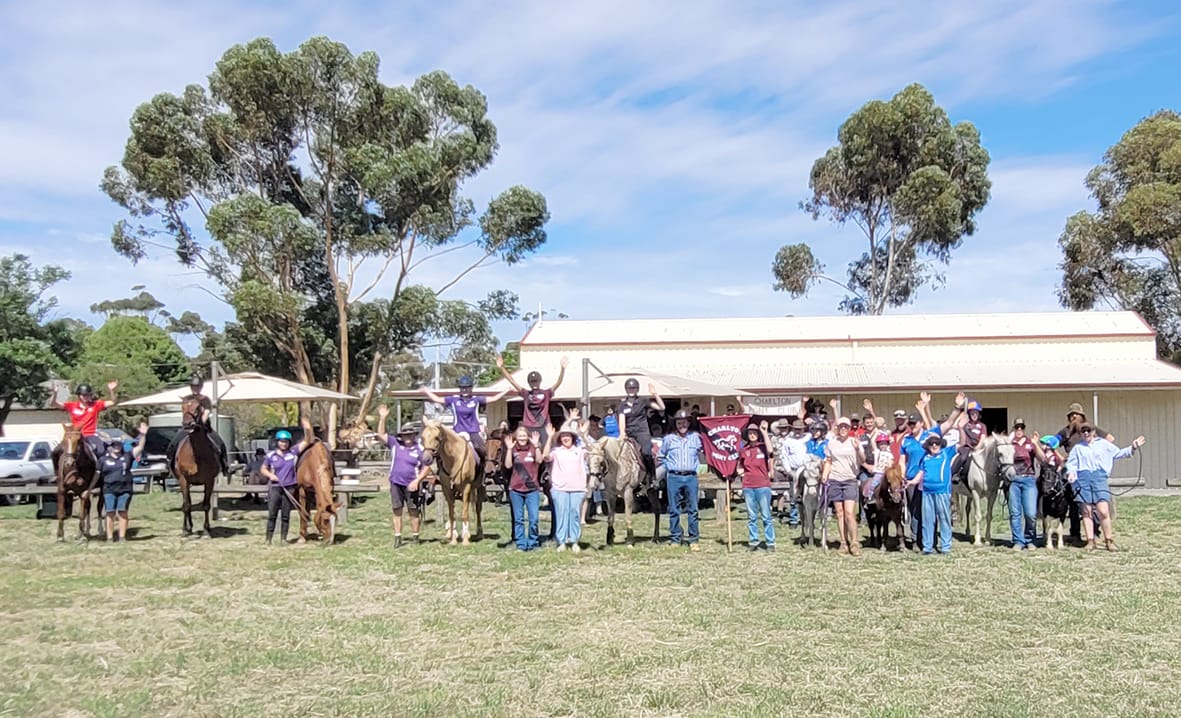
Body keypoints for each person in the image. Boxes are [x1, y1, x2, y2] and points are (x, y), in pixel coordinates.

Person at [1065, 423, 1145, 551]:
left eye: (1088, 430)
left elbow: (1118, 453)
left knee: (1103, 511)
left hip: (1099, 477)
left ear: (1093, 431)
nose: (1086, 433)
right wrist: (1071, 473)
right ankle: (1090, 541)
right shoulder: (1078, 448)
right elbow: (1072, 464)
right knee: (1086, 512)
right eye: (1083, 431)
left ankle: (1109, 540)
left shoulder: (1103, 444)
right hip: (1083, 479)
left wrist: (1133, 447)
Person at [376, 406, 431, 548]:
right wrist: (382, 418)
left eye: (411, 434)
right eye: (406, 435)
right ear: (402, 436)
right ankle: (398, 537)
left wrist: (417, 481)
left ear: (414, 435)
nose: (408, 437)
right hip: (395, 482)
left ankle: (415, 536)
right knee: (397, 509)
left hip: (411, 484)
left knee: (413, 510)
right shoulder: (395, 444)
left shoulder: (419, 449)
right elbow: (381, 434)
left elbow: (427, 467)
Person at [420, 376, 509, 459]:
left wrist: (506, 391)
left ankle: (483, 471)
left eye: (467, 387)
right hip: (457, 431)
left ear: (471, 388)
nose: (464, 390)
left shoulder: (476, 399)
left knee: (483, 451)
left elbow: (494, 399)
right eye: (462, 387)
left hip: (473, 432)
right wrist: (427, 391)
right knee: (443, 450)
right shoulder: (454, 399)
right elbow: (437, 399)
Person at [259, 416, 315, 545]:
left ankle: (283, 539)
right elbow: (263, 468)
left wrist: (307, 427)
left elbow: (307, 440)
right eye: (281, 441)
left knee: (286, 514)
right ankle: (268, 539)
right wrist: (270, 475)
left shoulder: (293, 452)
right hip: (275, 487)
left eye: (286, 441)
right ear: (277, 442)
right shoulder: (271, 456)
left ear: (289, 442)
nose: (283, 443)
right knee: (272, 514)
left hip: (289, 488)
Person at [165, 375, 230, 476]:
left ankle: (225, 466)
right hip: (187, 427)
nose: (196, 388)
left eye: (198, 386)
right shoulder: (186, 399)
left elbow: (207, 411)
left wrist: (201, 422)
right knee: (173, 443)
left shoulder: (204, 399)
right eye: (194, 386)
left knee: (220, 443)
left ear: (201, 387)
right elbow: (184, 411)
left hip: (203, 427)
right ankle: (169, 464)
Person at [496, 355, 567, 446]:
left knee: (547, 449)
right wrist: (502, 368)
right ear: (529, 383)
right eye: (532, 381)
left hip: (544, 425)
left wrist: (562, 369)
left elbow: (558, 383)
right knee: (526, 447)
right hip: (529, 426)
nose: (534, 383)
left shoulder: (546, 393)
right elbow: (512, 381)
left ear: (540, 381)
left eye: (536, 381)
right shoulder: (526, 393)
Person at [543, 419, 589, 552]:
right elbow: (545, 456)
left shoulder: (580, 450)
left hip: (577, 488)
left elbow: (591, 451)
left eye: (568, 436)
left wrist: (583, 435)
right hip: (559, 488)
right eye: (563, 436)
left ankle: (574, 541)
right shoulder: (556, 451)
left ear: (573, 438)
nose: (565, 438)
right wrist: (549, 437)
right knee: (561, 514)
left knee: (574, 514)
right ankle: (561, 541)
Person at [661, 409, 703, 552]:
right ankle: (675, 538)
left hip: (691, 476)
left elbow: (705, 450)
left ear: (688, 423)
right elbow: (660, 456)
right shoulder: (668, 439)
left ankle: (694, 539)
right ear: (675, 424)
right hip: (674, 477)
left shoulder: (696, 437)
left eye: (684, 423)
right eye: (679, 423)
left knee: (693, 509)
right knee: (674, 509)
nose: (681, 425)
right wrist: (669, 467)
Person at [50, 380, 119, 467]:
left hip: (90, 434)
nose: (87, 397)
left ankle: (99, 471)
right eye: (84, 395)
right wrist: (55, 393)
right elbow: (53, 404)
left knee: (101, 450)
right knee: (55, 452)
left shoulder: (95, 405)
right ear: (79, 396)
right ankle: (58, 474)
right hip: (75, 435)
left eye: (88, 394)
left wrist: (112, 391)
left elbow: (113, 402)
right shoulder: (72, 406)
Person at [822, 417, 865, 556]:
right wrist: (825, 475)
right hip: (835, 479)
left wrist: (858, 449)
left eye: (846, 426)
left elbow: (862, 460)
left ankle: (854, 542)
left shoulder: (854, 442)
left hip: (850, 479)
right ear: (837, 428)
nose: (843, 429)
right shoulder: (832, 443)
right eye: (841, 426)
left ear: (849, 428)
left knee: (849, 513)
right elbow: (828, 460)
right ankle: (843, 542)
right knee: (839, 513)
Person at [909, 434, 957, 555]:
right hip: (927, 492)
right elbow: (920, 473)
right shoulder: (925, 458)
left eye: (937, 443)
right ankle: (927, 547)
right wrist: (911, 482)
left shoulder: (946, 453)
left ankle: (946, 547)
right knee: (927, 520)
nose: (934, 445)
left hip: (942, 491)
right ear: (928, 447)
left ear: (941, 444)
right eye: (931, 443)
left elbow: (960, 441)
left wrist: (960, 423)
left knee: (944, 519)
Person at [100, 422, 146, 542]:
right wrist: (90, 489)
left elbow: (140, 448)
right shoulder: (103, 459)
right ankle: (109, 537)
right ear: (110, 446)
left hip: (125, 488)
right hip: (109, 488)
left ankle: (122, 537)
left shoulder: (127, 455)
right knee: (110, 512)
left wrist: (143, 435)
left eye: (118, 445)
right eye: (114, 445)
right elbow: (97, 475)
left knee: (122, 511)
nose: (117, 447)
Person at [617, 378, 666, 480]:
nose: (631, 390)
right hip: (629, 433)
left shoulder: (643, 401)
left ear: (637, 389)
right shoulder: (622, 405)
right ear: (626, 389)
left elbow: (661, 407)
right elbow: (622, 420)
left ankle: (652, 477)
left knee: (646, 452)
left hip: (642, 432)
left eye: (634, 388)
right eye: (629, 388)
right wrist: (622, 433)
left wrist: (655, 394)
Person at [737, 422, 775, 552]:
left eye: (754, 433)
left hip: (763, 485)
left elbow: (771, 451)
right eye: (750, 433)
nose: (752, 435)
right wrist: (739, 471)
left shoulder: (763, 447)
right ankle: (754, 541)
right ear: (747, 435)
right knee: (751, 516)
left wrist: (764, 431)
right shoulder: (744, 450)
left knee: (766, 515)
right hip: (748, 486)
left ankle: (770, 542)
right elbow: (740, 465)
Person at [505, 425, 543, 551]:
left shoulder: (533, 449)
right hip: (516, 489)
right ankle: (521, 543)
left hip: (532, 489)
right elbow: (508, 466)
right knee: (518, 519)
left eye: (524, 435)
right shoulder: (513, 450)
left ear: (528, 437)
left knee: (534, 519)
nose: (522, 438)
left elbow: (539, 460)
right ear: (516, 437)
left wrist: (537, 446)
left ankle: (533, 542)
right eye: (519, 436)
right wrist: (509, 449)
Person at [1007, 418, 1039, 551]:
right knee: (1015, 513)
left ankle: (1029, 538)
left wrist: (1036, 444)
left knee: (1030, 513)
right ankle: (1018, 540)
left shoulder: (1030, 442)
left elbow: (1042, 458)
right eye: (1017, 427)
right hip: (1014, 480)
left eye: (1021, 427)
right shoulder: (1010, 443)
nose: (1019, 430)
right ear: (1014, 429)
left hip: (1029, 479)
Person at [950, 399, 986, 482]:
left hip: (978, 448)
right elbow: (954, 425)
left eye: (976, 413)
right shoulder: (965, 424)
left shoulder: (982, 426)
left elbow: (982, 438)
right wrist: (962, 415)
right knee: (963, 458)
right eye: (972, 413)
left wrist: (977, 448)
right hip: (966, 447)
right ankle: (955, 474)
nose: (974, 415)